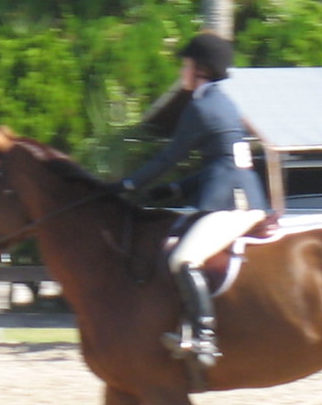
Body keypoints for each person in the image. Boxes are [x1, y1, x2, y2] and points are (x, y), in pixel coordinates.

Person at [111, 32, 268, 365]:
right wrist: (176, 189)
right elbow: (225, 165)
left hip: (231, 204)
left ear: (201, 68)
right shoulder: (224, 103)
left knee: (183, 259)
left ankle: (203, 338)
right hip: (244, 196)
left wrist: (128, 183)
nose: (182, 70)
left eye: (186, 64)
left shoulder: (200, 106)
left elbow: (169, 156)